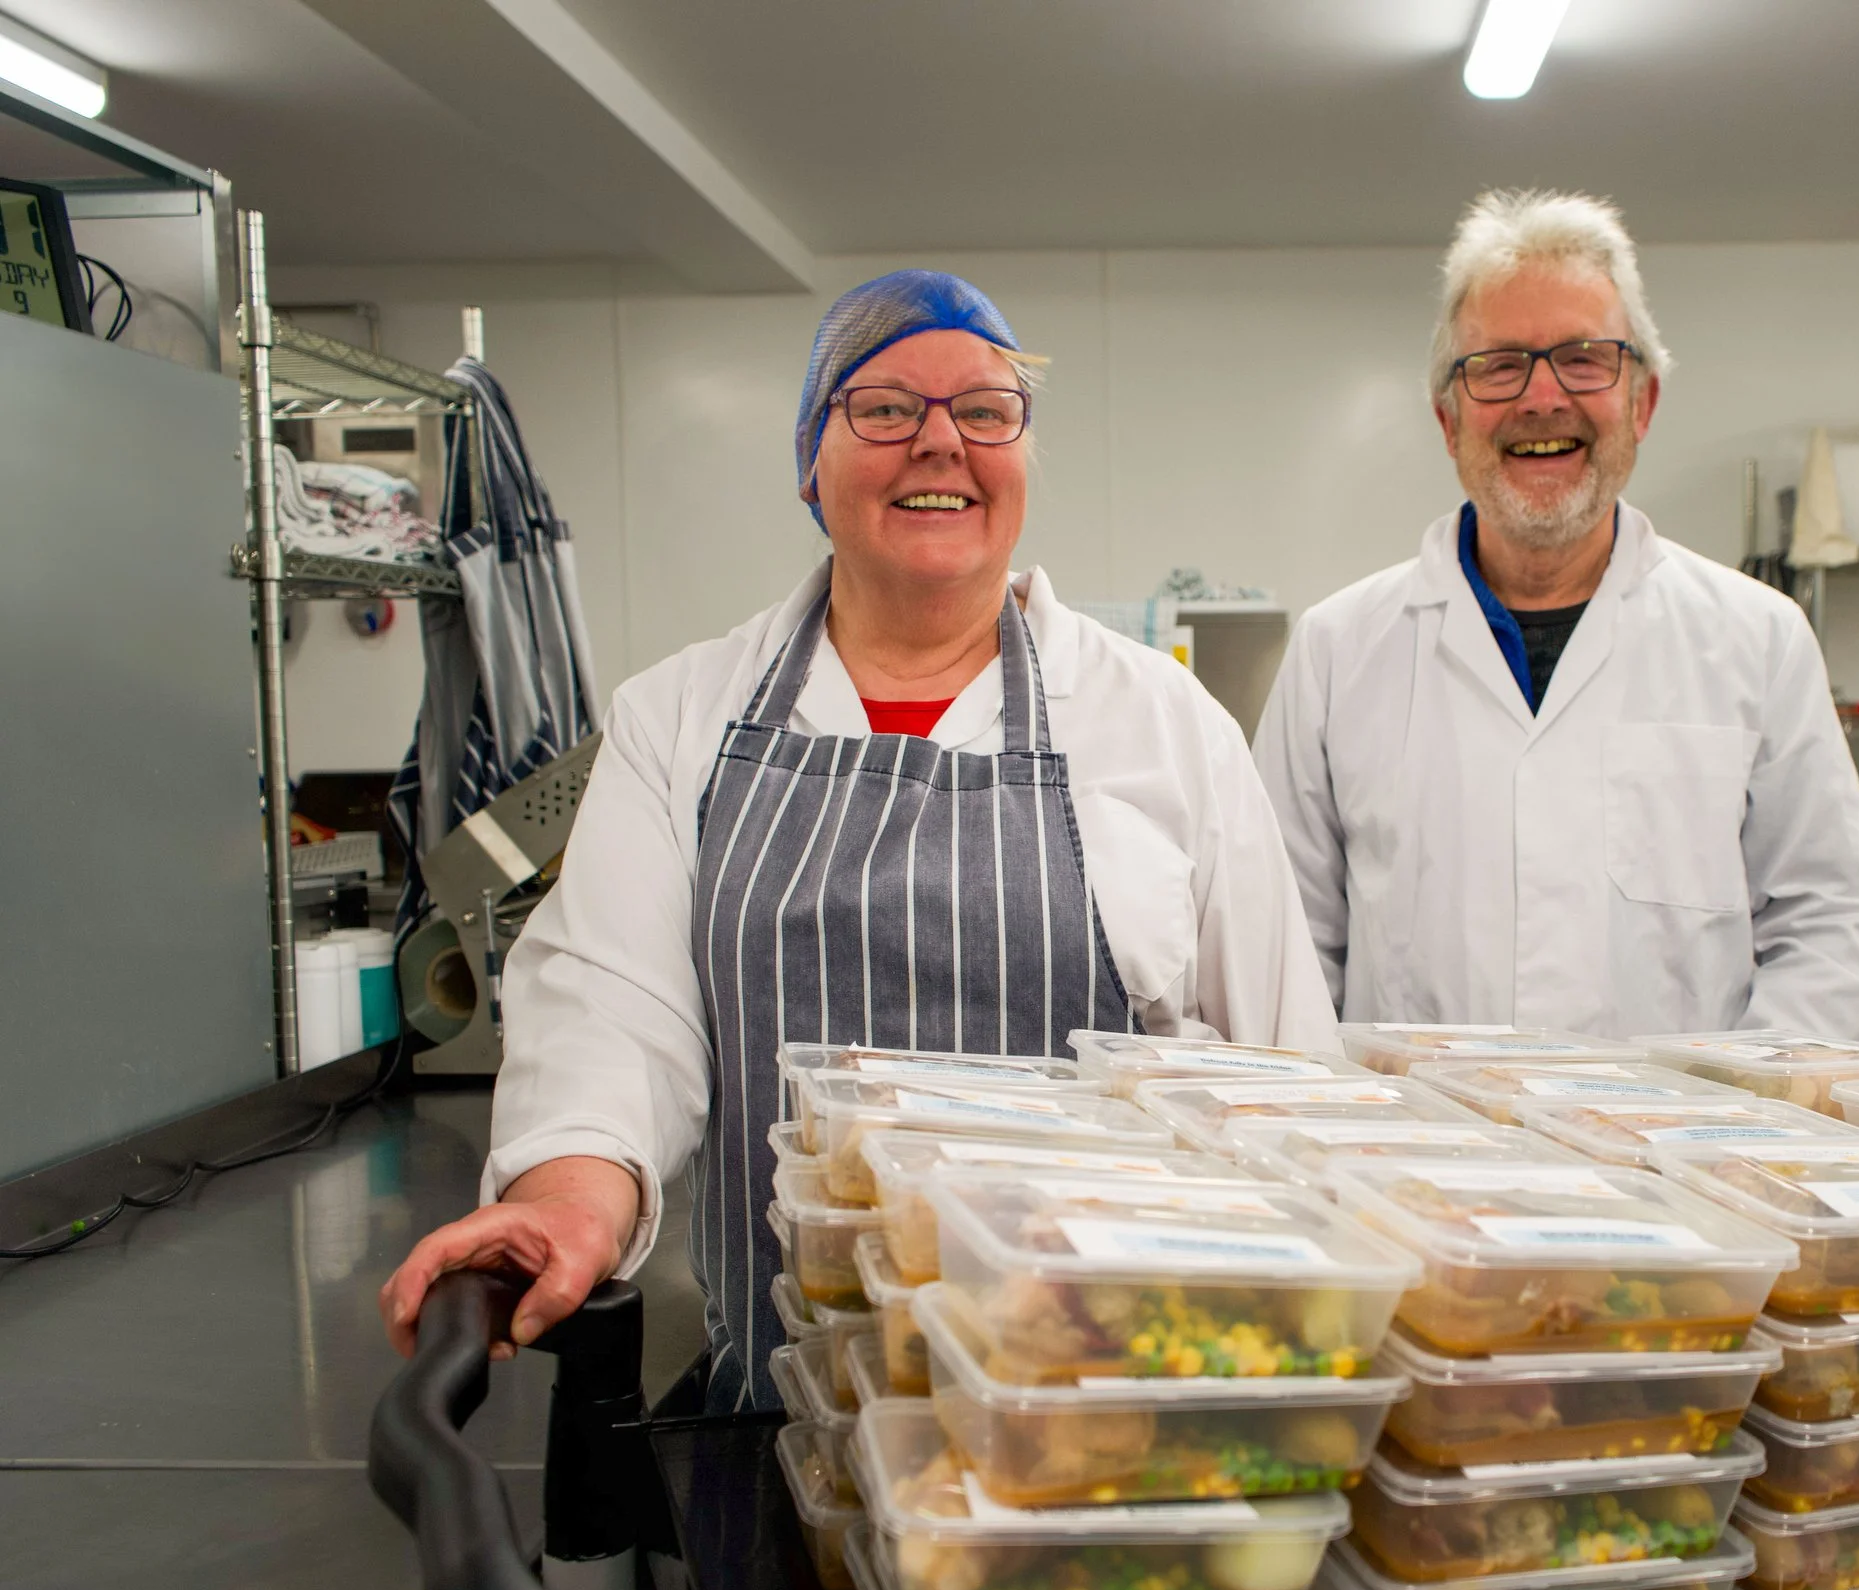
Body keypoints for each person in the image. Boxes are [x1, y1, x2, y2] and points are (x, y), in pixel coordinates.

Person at [378, 271, 1337, 1408]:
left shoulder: (1165, 724)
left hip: (1104, 1408)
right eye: (884, 407)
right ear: (808, 465)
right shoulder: (681, 716)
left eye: (985, 410)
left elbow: (1281, 1077)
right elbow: (611, 1015)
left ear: (1022, 457)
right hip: (787, 1411)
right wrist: (565, 1200)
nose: (941, 443)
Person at [1255, 189, 1859, 1041]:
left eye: (1585, 358)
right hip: (1417, 1162)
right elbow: (1279, 945)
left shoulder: (1757, 639)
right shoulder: (1338, 652)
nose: (1541, 397)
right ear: (1449, 422)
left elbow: (1833, 922)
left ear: (1642, 403)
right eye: (1498, 365)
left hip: (1678, 1162)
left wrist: (1733, 1118)